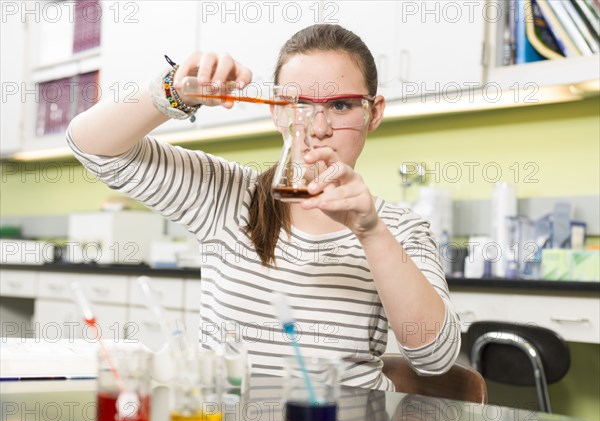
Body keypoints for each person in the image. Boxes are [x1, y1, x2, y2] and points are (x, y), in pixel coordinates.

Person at [67, 24, 461, 391]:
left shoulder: (400, 228)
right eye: (297, 104)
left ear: (373, 113)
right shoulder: (226, 195)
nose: (318, 127)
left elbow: (435, 358)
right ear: (276, 111)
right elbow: (90, 146)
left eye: (340, 105)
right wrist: (173, 89)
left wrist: (372, 233)